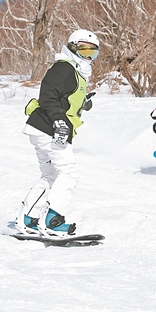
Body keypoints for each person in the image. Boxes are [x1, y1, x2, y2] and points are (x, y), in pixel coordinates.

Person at [17, 29, 99, 238]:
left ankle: (29, 219)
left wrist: (82, 103)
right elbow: (48, 95)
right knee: (69, 173)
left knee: (51, 175)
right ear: (72, 48)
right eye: (84, 50)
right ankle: (53, 221)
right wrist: (59, 121)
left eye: (93, 53)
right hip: (50, 128)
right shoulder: (64, 67)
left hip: (43, 127)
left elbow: (64, 97)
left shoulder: (74, 71)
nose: (88, 56)